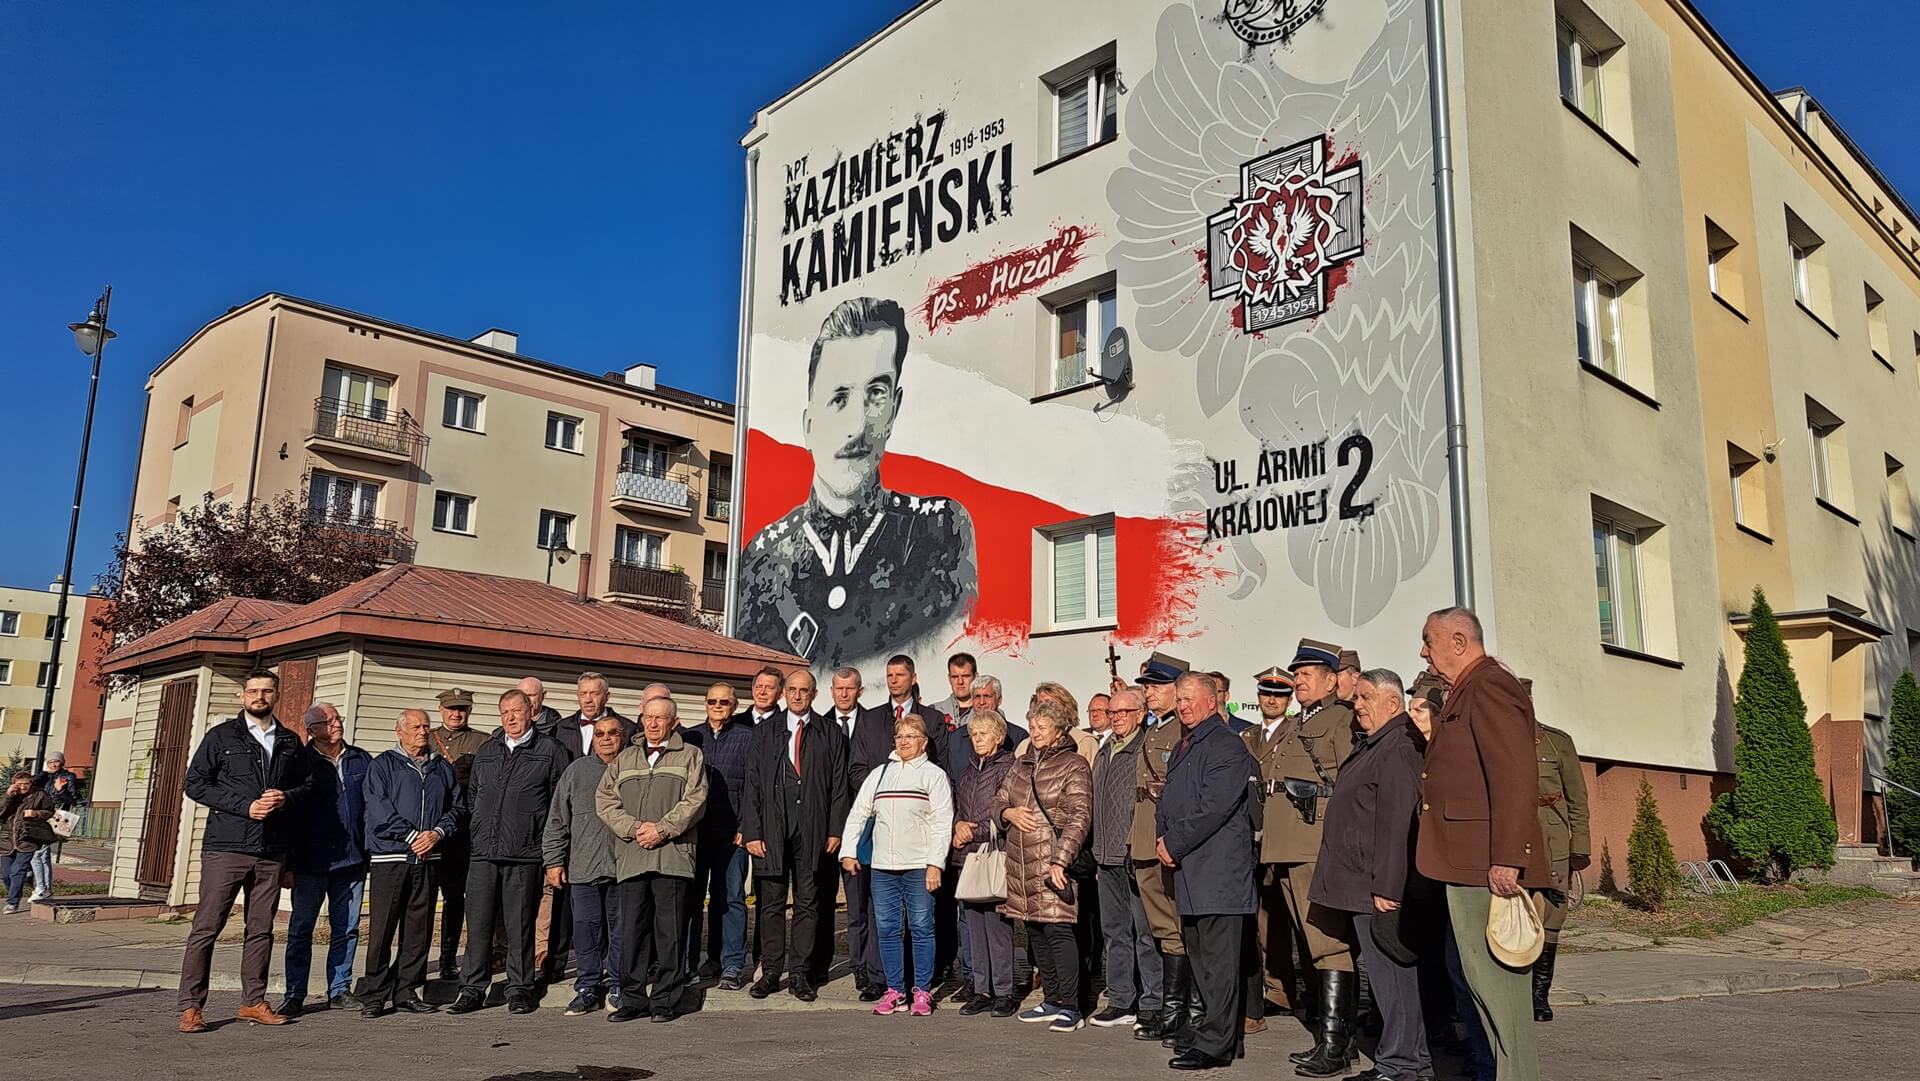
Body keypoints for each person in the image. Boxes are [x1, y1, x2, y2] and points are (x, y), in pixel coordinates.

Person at [734, 296, 977, 666]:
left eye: (876, 394)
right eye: (838, 396)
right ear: (808, 423)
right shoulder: (763, 561)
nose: (857, 425)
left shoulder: (938, 531)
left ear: (894, 410)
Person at [1416, 607, 1550, 1081]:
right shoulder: (1465, 689)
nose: (1423, 651)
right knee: (1475, 982)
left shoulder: (1490, 684)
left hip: (1485, 867)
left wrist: (1508, 859)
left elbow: (1514, 777)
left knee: (1500, 994)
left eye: (1429, 641)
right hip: (1464, 863)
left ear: (1458, 640)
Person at [176, 669, 312, 1033]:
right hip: (227, 847)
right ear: (242, 696)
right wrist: (244, 805)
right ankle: (191, 1006)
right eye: (253, 691)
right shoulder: (221, 737)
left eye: (267, 691)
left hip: (272, 850)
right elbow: (195, 784)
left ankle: (253, 1001)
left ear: (276, 695)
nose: (259, 697)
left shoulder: (288, 740)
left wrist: (285, 798)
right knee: (207, 926)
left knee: (261, 929)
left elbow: (307, 789)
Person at [1310, 670, 1429, 1081]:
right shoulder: (1378, 744)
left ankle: (1401, 1066)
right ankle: (1407, 1061)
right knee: (1386, 980)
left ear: (1392, 703)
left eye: (1364, 697)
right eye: (1356, 697)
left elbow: (1398, 824)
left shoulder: (1396, 747)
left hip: (1377, 886)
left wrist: (1387, 887)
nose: (1356, 704)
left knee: (1393, 980)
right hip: (1364, 882)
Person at [447, 688, 572, 1016]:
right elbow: (474, 798)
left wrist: (545, 846)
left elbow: (559, 804)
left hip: (525, 853)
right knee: (478, 925)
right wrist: (480, 832)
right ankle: (472, 988)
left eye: (517, 711)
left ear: (531, 711)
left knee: (520, 926)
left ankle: (519, 988)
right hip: (484, 853)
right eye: (505, 713)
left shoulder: (550, 750)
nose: (511, 718)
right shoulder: (487, 752)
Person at [1156, 672, 1259, 1071]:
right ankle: (1210, 1032)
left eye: (1189, 699)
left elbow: (1212, 807)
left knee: (1219, 963)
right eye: (1178, 699)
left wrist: (1173, 841)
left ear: (1213, 701)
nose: (1182, 706)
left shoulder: (1227, 745)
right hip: (1191, 870)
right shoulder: (1187, 744)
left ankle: (1217, 1045)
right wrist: (1163, 837)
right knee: (1202, 959)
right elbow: (1172, 798)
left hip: (1217, 872)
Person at [1269, 642, 1361, 1075]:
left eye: (1308, 673)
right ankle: (1331, 1039)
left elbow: (1351, 785)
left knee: (1328, 945)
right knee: (1311, 944)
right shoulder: (1295, 723)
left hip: (1313, 844)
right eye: (1298, 673)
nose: (1299, 680)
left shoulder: (1341, 719)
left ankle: (1336, 1045)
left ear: (1331, 678)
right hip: (1287, 846)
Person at [740, 668, 848, 1001]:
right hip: (772, 826)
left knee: (808, 902)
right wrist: (753, 831)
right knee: (770, 903)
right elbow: (752, 783)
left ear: (814, 695)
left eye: (804, 691)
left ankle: (801, 973)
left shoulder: (829, 732)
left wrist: (835, 829)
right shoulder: (766, 732)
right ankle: (770, 971)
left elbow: (839, 786)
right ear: (784, 693)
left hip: (813, 827)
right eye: (792, 690)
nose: (798, 696)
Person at [598, 696, 708, 1023]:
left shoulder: (690, 756)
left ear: (674, 722)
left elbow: (695, 800)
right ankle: (632, 998)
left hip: (672, 856)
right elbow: (605, 801)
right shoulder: (624, 758)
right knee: (632, 931)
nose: (653, 723)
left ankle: (665, 1000)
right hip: (632, 857)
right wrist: (634, 829)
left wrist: (661, 830)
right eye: (648, 717)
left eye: (661, 718)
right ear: (641, 718)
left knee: (669, 932)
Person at [841, 712, 954, 1016]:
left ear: (924, 742)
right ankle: (895, 990)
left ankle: (922, 991)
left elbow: (943, 823)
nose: (904, 742)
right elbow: (858, 814)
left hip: (919, 866)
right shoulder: (879, 774)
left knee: (920, 928)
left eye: (910, 737)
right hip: (882, 868)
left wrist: (935, 864)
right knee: (888, 929)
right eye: (900, 737)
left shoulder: (933, 775)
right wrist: (848, 851)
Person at [995, 697, 1093, 1033]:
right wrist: (1007, 813)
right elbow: (1000, 800)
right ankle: (1051, 999)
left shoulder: (1074, 764)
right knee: (1035, 929)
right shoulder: (1020, 763)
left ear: (1059, 731)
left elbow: (1080, 817)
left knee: (1059, 930)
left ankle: (1072, 1005)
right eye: (1032, 726)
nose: (1035, 732)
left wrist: (1061, 860)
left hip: (1052, 860)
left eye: (1042, 727)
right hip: (1020, 861)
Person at [360, 709, 461, 1018]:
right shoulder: (383, 765)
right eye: (416, 726)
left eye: (426, 726)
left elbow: (457, 807)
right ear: (399, 730)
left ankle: (407, 991)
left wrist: (436, 834)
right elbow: (377, 808)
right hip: (390, 857)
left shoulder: (441, 768)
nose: (422, 731)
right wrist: (411, 835)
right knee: (382, 929)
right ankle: (375, 994)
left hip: (429, 857)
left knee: (418, 929)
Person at [278, 703, 371, 1016]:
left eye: (338, 718)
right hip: (310, 863)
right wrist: (287, 864)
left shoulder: (360, 759)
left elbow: (371, 809)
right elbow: (288, 816)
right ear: (312, 729)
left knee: (346, 928)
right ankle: (295, 993)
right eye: (329, 721)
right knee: (301, 930)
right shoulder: (300, 763)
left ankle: (340, 989)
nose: (337, 724)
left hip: (352, 861)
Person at [545, 715, 630, 1015]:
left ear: (623, 736)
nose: (606, 739)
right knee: (585, 931)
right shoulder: (576, 771)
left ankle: (618, 985)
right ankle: (587, 987)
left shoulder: (634, 769)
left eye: (612, 733)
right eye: (599, 734)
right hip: (583, 868)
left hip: (625, 868)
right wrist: (554, 860)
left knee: (621, 931)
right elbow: (557, 820)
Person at [1089, 687, 1161, 1029]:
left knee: (1146, 934)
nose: (1116, 718)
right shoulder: (1104, 751)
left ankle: (1153, 1001)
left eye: (1123, 712)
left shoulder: (1144, 748)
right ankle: (1121, 999)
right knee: (1114, 932)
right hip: (1106, 856)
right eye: (1112, 713)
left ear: (1139, 714)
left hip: (1135, 854)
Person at [1130, 651, 1192, 1045]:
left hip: (1167, 838)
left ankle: (1182, 1011)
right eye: (1147, 686)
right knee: (1162, 930)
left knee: (1178, 929)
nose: (1148, 693)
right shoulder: (1154, 729)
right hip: (1144, 838)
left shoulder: (1183, 731)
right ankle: (1172, 1009)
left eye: (1155, 686)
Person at [537, 673, 613, 985]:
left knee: (606, 913)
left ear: (605, 697)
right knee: (562, 905)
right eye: (583, 693)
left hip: (606, 836)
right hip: (569, 824)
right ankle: (554, 965)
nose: (589, 699)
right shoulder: (560, 729)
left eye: (595, 693)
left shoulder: (624, 731)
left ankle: (607, 971)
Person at [682, 681, 755, 991]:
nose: (717, 707)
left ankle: (732, 964)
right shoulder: (689, 738)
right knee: (692, 900)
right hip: (695, 834)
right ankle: (690, 963)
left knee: (731, 900)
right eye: (712, 701)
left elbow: (755, 787)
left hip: (732, 836)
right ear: (705, 704)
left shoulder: (748, 739)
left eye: (724, 702)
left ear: (734, 706)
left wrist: (747, 827)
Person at [1525, 679, 1590, 1023]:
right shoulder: (1497, 742)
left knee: (1552, 916)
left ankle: (1539, 995)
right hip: (1517, 838)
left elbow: (1578, 799)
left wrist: (1580, 848)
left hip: (1552, 840)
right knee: (1515, 916)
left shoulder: (1556, 742)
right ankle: (1518, 991)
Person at [827, 666, 890, 1001]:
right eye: (839, 688)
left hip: (873, 829)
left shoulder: (876, 723)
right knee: (853, 907)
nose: (844, 694)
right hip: (836, 832)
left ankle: (876, 969)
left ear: (860, 691)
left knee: (875, 903)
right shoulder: (821, 725)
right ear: (832, 690)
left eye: (850, 689)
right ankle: (858, 968)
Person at [950, 709, 1017, 1017]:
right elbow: (959, 806)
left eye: (983, 734)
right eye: (974, 734)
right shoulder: (968, 770)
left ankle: (1003, 991)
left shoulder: (1009, 768)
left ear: (998, 737)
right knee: (973, 925)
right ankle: (981, 989)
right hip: (969, 856)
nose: (976, 739)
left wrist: (971, 830)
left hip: (996, 854)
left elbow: (1005, 812)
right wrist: (957, 827)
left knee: (997, 926)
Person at [430, 686, 489, 980]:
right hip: (431, 830)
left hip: (465, 831)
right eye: (451, 709)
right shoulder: (427, 739)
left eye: (462, 709)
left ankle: (448, 959)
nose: (456, 714)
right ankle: (412, 959)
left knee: (456, 898)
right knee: (423, 899)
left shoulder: (482, 741)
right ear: (441, 710)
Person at [28, 752, 81, 903]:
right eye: (50, 761)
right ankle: (46, 889)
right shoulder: (44, 776)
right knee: (42, 855)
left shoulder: (68, 777)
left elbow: (73, 799)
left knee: (37, 853)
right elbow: (32, 788)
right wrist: (42, 776)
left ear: (62, 762)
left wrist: (59, 790)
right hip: (42, 816)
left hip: (56, 817)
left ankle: (42, 889)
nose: (53, 764)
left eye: (56, 761)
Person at [0, 771, 56, 913]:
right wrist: (8, 796)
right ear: (14, 784)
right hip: (7, 840)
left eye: (26, 784)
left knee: (17, 871)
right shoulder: (11, 795)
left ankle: (12, 903)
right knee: (5, 874)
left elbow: (50, 811)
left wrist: (36, 813)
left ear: (31, 783)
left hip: (28, 839)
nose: (23, 787)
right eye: (20, 784)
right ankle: (15, 893)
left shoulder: (40, 795)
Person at [932, 652, 978, 728]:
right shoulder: (934, 711)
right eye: (955, 677)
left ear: (976, 677)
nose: (960, 682)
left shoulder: (990, 711)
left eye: (965, 676)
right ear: (949, 679)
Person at [521, 676, 566, 741]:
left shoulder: (557, 727)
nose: (527, 700)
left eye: (531, 695)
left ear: (543, 695)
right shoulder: (510, 722)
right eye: (522, 696)